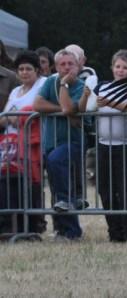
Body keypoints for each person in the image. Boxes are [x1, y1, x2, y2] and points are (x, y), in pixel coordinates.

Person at [79, 49, 127, 242]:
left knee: (125, 190)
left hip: (126, 146)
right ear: (112, 67)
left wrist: (111, 103)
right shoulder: (102, 86)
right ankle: (115, 232)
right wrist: (88, 91)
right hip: (104, 146)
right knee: (105, 189)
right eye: (118, 66)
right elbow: (88, 109)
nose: (120, 71)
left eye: (125, 68)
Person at [33, 49, 85, 241]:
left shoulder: (80, 85)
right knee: (56, 186)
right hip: (50, 142)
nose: (66, 68)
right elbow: (37, 105)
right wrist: (60, 110)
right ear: (56, 67)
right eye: (62, 64)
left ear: (77, 66)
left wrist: (64, 85)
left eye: (70, 64)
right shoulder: (49, 82)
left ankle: (72, 230)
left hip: (72, 141)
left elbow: (70, 107)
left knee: (63, 193)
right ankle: (64, 231)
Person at [0, 51, 47, 234]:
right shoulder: (15, 91)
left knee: (31, 186)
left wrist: (16, 117)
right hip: (11, 146)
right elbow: (4, 118)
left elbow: (34, 110)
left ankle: (33, 227)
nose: (24, 72)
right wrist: (13, 118)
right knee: (10, 186)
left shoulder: (42, 85)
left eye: (29, 69)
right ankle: (11, 227)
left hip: (32, 145)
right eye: (21, 69)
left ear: (37, 70)